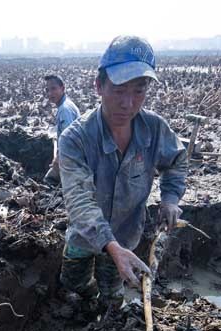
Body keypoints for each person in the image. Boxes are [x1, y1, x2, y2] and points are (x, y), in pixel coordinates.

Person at [58, 35, 187, 314]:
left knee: (113, 291)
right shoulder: (76, 139)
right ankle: (87, 295)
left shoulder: (154, 129)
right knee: (72, 280)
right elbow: (79, 201)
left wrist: (170, 198)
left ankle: (107, 318)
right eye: (118, 90)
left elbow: (177, 160)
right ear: (98, 86)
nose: (128, 103)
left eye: (138, 91)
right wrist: (110, 246)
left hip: (127, 233)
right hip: (85, 233)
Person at [43, 74, 80, 185]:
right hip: (73, 156)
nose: (50, 93)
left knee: (49, 181)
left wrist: (58, 159)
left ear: (63, 88)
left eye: (53, 89)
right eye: (47, 90)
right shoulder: (66, 105)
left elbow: (68, 138)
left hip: (72, 158)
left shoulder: (65, 109)